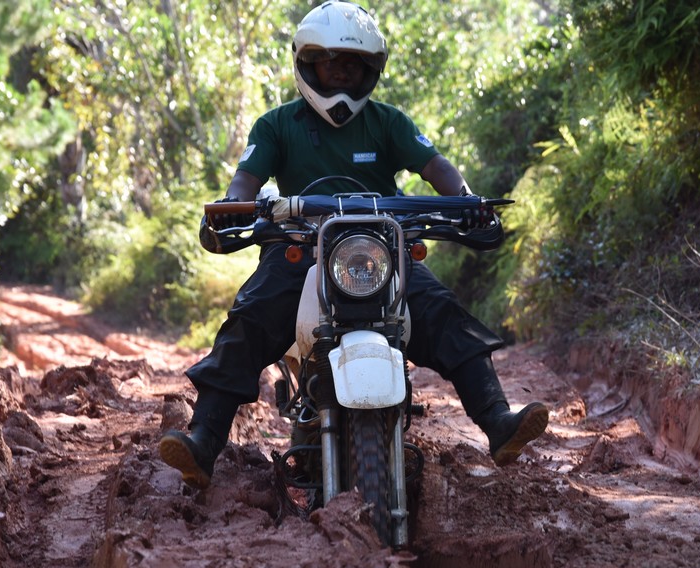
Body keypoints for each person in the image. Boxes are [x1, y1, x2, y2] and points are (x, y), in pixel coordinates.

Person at [158, 0, 548, 490]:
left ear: (370, 71)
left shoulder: (388, 122)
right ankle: (202, 442)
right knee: (250, 319)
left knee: (442, 312)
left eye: (353, 64)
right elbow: (245, 181)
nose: (341, 73)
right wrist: (237, 205)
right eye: (330, 62)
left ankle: (498, 422)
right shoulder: (277, 124)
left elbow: (438, 169)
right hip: (298, 247)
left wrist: (466, 200)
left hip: (381, 247)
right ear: (306, 63)